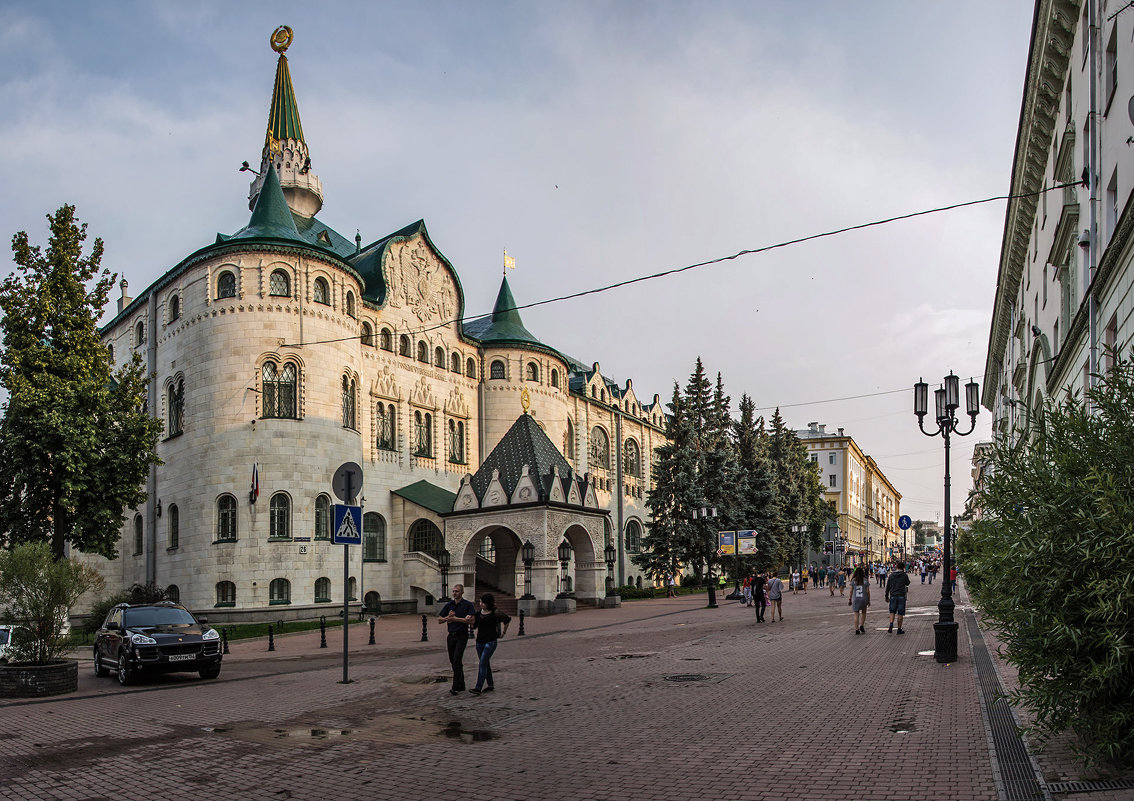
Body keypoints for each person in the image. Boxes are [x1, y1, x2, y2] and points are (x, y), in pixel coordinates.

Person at [437, 584, 476, 695]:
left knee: (457, 659)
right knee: (453, 660)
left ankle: (455, 686)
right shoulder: (449, 605)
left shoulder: (467, 605)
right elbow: (439, 619)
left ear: (462, 592)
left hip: (462, 635)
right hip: (451, 635)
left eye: (457, 591)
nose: (454, 593)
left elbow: (472, 620)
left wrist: (456, 619)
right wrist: (447, 618)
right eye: (453, 591)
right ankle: (461, 684)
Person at [469, 593, 510, 695]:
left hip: (490, 642)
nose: (481, 604)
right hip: (479, 642)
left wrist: (503, 633)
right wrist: (470, 621)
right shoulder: (478, 614)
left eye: (483, 602)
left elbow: (507, 619)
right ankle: (490, 684)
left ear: (488, 603)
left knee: (482, 663)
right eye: (480, 601)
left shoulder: (495, 613)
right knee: (485, 663)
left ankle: (478, 688)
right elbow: (474, 626)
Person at [884, 561, 911, 634]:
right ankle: (899, 629)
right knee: (900, 613)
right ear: (903, 568)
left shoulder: (891, 575)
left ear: (896, 567)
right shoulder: (904, 575)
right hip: (901, 595)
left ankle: (891, 624)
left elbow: (888, 586)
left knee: (892, 611)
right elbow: (908, 583)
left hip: (893, 595)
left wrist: (886, 596)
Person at [849, 566, 870, 634]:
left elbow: (851, 590)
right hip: (864, 598)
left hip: (856, 599)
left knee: (856, 614)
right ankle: (862, 625)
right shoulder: (865, 580)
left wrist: (849, 599)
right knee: (863, 613)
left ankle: (856, 629)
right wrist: (869, 600)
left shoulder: (853, 580)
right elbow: (868, 591)